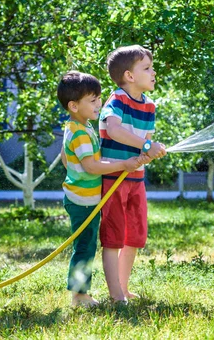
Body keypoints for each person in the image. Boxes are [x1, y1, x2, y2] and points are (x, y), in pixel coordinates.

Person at [57, 71, 148, 307]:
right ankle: (79, 295)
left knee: (87, 245)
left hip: (83, 197)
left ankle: (82, 292)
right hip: (81, 201)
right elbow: (91, 166)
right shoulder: (79, 133)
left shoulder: (79, 127)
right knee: (84, 248)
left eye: (99, 98)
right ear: (74, 106)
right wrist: (123, 165)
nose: (99, 103)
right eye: (93, 100)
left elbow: (65, 159)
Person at [99, 45, 167, 303]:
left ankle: (124, 289)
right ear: (129, 76)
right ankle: (116, 295)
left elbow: (144, 142)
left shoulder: (149, 106)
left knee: (134, 237)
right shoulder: (117, 100)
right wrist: (148, 146)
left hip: (137, 179)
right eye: (147, 68)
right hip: (114, 178)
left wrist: (151, 152)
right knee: (115, 237)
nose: (153, 72)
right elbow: (114, 131)